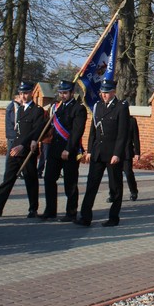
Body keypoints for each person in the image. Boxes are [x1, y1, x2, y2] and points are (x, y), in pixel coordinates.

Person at [0, 81, 45, 218]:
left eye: (26, 93)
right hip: (15, 149)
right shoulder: (20, 109)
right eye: (21, 93)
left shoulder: (37, 111)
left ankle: (33, 209)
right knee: (8, 178)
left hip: (27, 149)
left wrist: (24, 144)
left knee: (31, 180)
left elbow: (36, 130)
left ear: (32, 94)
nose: (23, 96)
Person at [76, 79, 130, 227]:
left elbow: (122, 134)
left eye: (107, 92)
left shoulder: (121, 107)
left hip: (112, 153)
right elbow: (93, 130)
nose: (104, 95)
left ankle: (114, 217)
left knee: (115, 187)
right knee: (91, 185)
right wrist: (89, 150)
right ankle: (85, 217)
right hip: (98, 152)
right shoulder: (97, 106)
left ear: (113, 92)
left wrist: (117, 153)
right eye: (102, 92)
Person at [42, 81, 86, 222]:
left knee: (70, 183)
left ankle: (71, 212)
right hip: (55, 150)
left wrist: (68, 149)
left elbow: (77, 131)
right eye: (61, 92)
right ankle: (50, 210)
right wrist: (35, 140)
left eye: (65, 93)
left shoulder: (79, 109)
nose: (62, 95)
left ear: (72, 93)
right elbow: (48, 126)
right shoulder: (57, 108)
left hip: (70, 152)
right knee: (49, 179)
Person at [110, 105, 140, 203]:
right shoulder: (114, 119)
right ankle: (113, 194)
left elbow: (135, 137)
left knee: (128, 172)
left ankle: (133, 191)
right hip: (114, 152)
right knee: (113, 175)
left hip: (126, 151)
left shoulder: (131, 121)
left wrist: (137, 152)